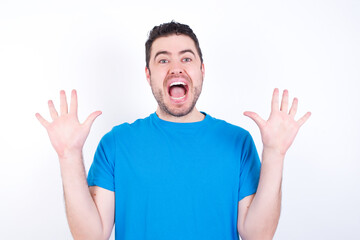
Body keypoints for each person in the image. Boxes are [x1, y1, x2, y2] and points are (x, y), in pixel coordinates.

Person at [36, 21, 311, 240]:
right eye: (163, 60)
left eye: (187, 59)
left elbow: (258, 235)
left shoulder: (237, 142)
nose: (176, 68)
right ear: (148, 74)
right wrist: (69, 156)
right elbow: (91, 236)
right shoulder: (116, 144)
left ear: (202, 71)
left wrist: (275, 153)